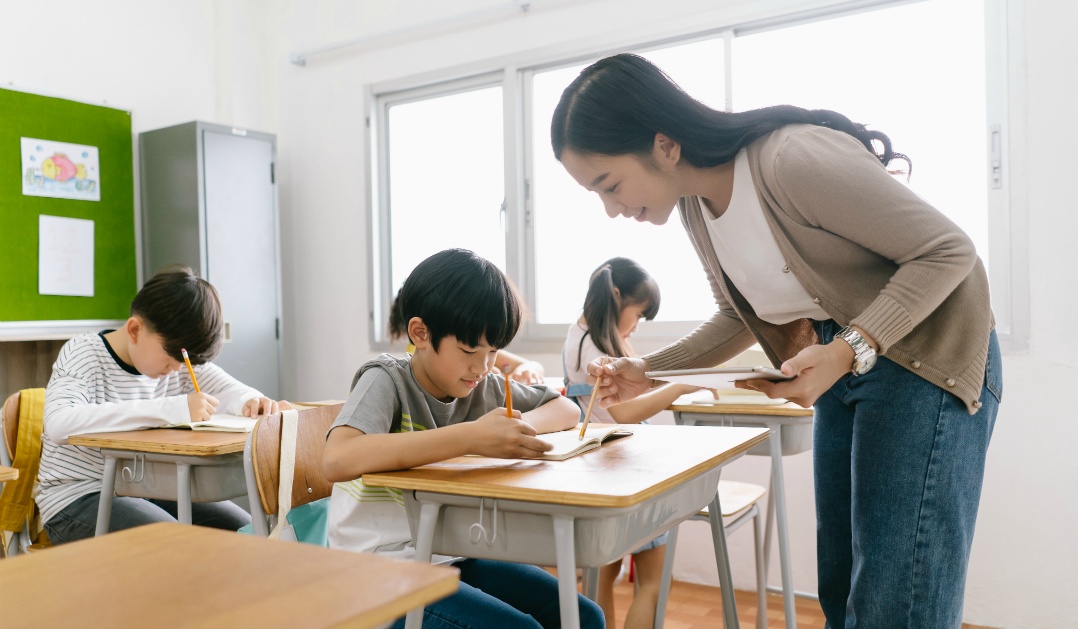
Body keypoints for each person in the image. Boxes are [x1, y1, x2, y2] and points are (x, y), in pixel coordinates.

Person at [551, 53, 1002, 629]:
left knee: (898, 595)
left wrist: (845, 351)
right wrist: (649, 369)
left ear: (664, 144)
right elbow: (737, 315)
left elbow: (949, 252)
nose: (611, 210)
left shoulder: (790, 161)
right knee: (840, 586)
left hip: (928, 353)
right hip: (848, 358)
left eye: (608, 184)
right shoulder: (696, 208)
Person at [322, 248, 604, 629]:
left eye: (492, 352)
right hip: (373, 568)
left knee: (585, 617)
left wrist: (514, 429)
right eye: (470, 350)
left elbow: (565, 409)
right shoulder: (386, 379)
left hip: (448, 552)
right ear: (420, 333)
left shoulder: (478, 385)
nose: (482, 367)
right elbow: (337, 459)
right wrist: (470, 437)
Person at [38, 266, 290, 544]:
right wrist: (171, 409)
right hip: (76, 499)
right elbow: (59, 423)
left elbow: (229, 391)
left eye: (184, 365)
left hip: (149, 488)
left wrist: (251, 402)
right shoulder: (83, 353)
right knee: (177, 542)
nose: (176, 370)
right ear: (135, 329)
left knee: (248, 533)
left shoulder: (178, 362)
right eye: (171, 361)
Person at [563, 257, 702, 629]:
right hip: (624, 466)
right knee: (654, 581)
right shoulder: (599, 348)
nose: (637, 324)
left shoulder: (579, 338)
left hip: (598, 467)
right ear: (618, 297)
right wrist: (682, 384)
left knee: (601, 577)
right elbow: (625, 413)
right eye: (639, 314)